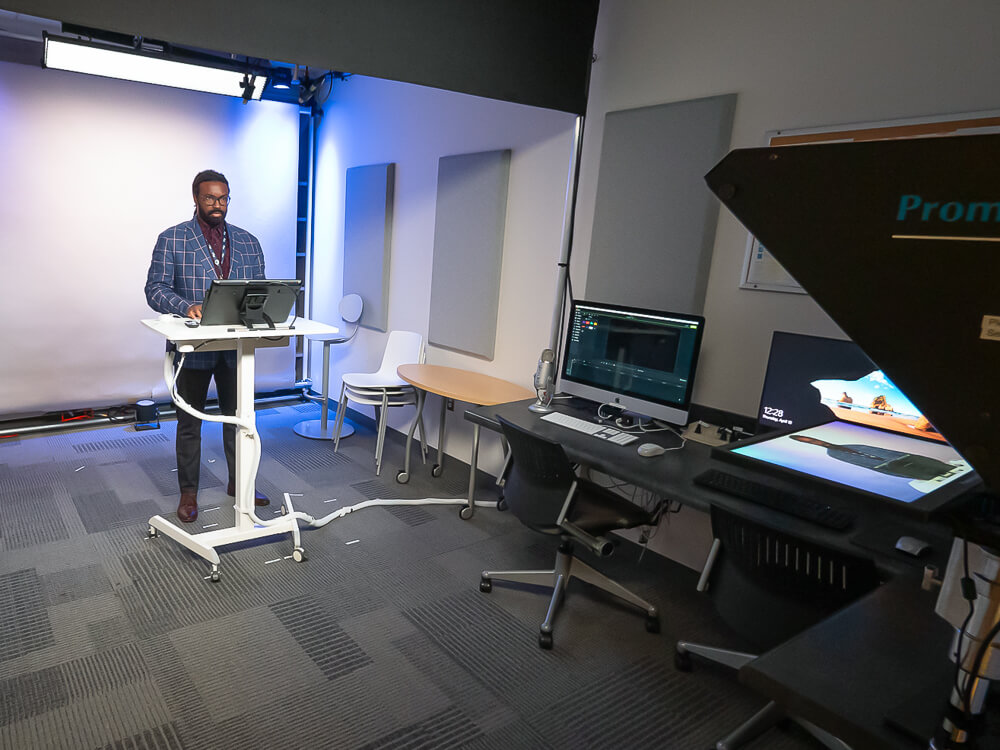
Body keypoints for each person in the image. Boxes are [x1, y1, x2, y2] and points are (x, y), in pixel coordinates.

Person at [145, 169, 269, 523]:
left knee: (241, 420)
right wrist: (186, 306)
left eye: (223, 198)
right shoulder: (172, 239)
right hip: (193, 347)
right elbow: (154, 289)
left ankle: (240, 483)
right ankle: (188, 493)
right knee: (189, 424)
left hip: (236, 348)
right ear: (196, 199)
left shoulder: (247, 242)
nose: (217, 204)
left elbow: (259, 290)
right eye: (210, 198)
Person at [789, 434, 956, 481]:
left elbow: (878, 449)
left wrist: (904, 457)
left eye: (812, 438)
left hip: (904, 458)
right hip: (892, 467)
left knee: (947, 470)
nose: (816, 441)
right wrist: (888, 466)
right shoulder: (834, 454)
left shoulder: (852, 445)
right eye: (811, 442)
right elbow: (865, 464)